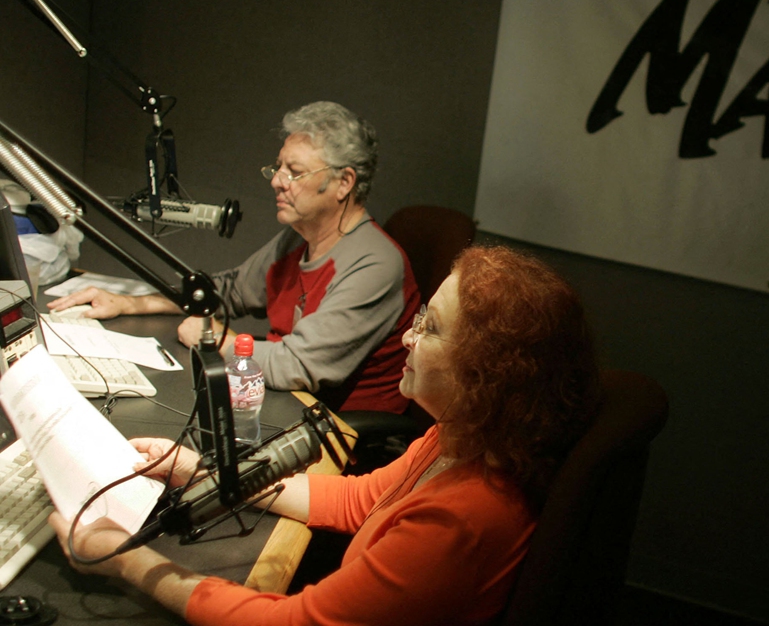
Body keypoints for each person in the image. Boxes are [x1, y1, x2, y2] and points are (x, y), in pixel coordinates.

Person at [48, 245, 601, 626]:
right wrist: (201, 471)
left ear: (484, 373)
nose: (407, 335)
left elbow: (290, 621)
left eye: (428, 328)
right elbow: (360, 499)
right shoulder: (459, 437)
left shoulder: (465, 519)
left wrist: (125, 560)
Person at [47, 102, 420, 413]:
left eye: (295, 172)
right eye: (278, 168)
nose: (276, 181)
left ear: (344, 183)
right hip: (282, 401)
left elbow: (298, 366)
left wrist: (216, 339)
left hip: (337, 430)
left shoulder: (375, 264)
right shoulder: (297, 239)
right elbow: (228, 291)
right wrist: (130, 304)